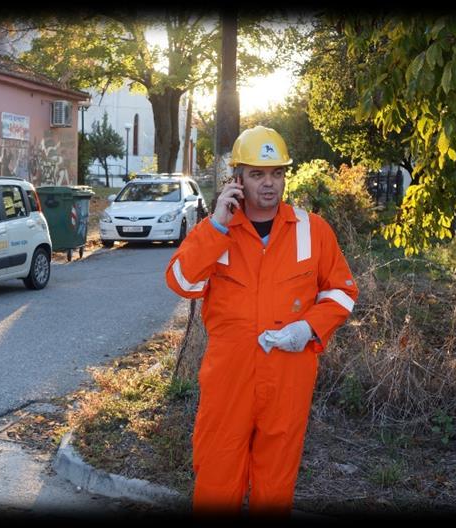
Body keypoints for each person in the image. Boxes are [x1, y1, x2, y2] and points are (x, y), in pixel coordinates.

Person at [164, 126, 358, 517]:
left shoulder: (312, 230)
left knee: (276, 483)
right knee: (217, 475)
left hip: (288, 375)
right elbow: (182, 281)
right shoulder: (218, 230)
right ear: (238, 178)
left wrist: (307, 328)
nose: (269, 184)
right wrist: (217, 225)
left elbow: (342, 291)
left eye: (277, 173)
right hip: (229, 377)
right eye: (257, 174)